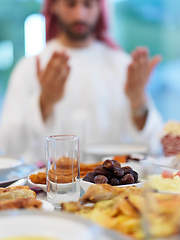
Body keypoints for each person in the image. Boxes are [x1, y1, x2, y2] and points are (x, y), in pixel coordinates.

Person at [0, 0, 163, 164]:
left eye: (88, 5)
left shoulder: (122, 66)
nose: (80, 15)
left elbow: (154, 145)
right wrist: (44, 103)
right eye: (71, 5)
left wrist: (138, 102)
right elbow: (9, 146)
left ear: (99, 8)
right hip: (49, 186)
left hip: (115, 186)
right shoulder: (31, 67)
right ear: (54, 6)